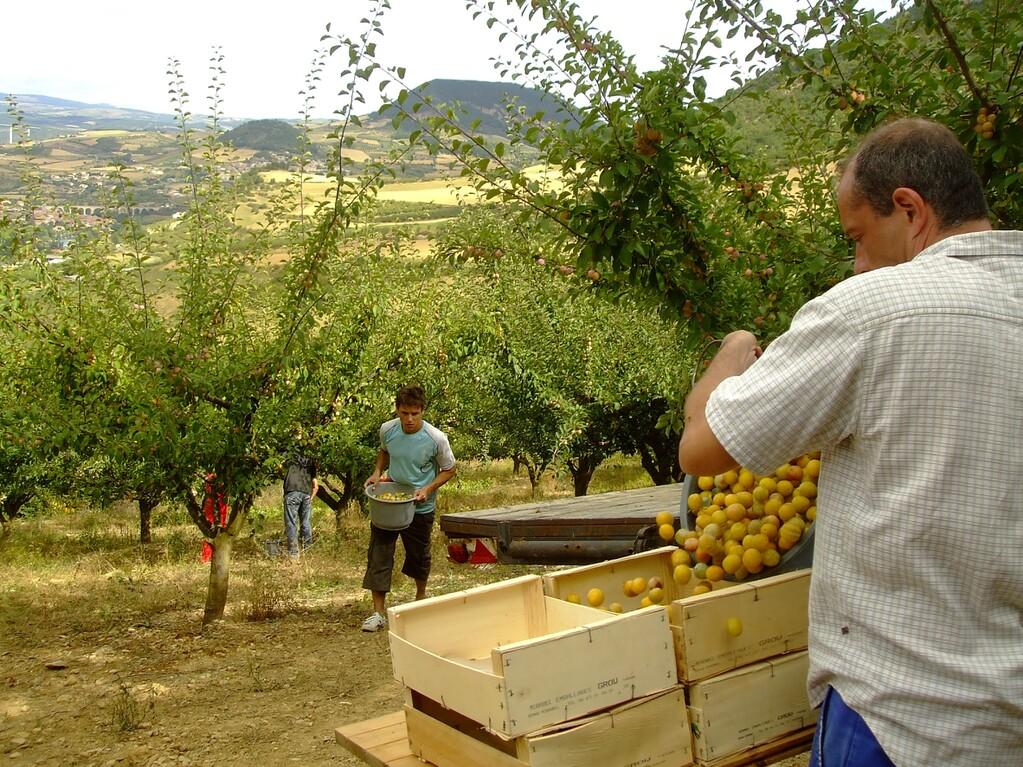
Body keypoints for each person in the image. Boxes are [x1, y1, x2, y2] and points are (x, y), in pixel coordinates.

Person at [678, 118, 1022, 766]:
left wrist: (731, 350)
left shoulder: (872, 308)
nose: (857, 263)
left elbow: (700, 447)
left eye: (857, 238)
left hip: (898, 718)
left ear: (909, 209)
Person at [361, 385, 457, 633]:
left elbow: (449, 469)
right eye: (405, 413)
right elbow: (384, 451)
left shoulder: (436, 438)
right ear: (397, 410)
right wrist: (377, 472)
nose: (410, 419)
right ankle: (378, 613)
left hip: (419, 505)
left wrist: (428, 488)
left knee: (418, 554)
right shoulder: (388, 430)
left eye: (415, 413)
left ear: (422, 411)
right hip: (390, 500)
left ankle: (420, 598)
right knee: (379, 554)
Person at [283, 451, 318, 557]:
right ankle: (308, 551)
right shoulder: (310, 460)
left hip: (292, 492)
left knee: (291, 523)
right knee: (306, 523)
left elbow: (279, 466)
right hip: (306, 493)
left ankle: (294, 554)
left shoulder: (289, 455)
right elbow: (316, 486)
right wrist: (310, 498)